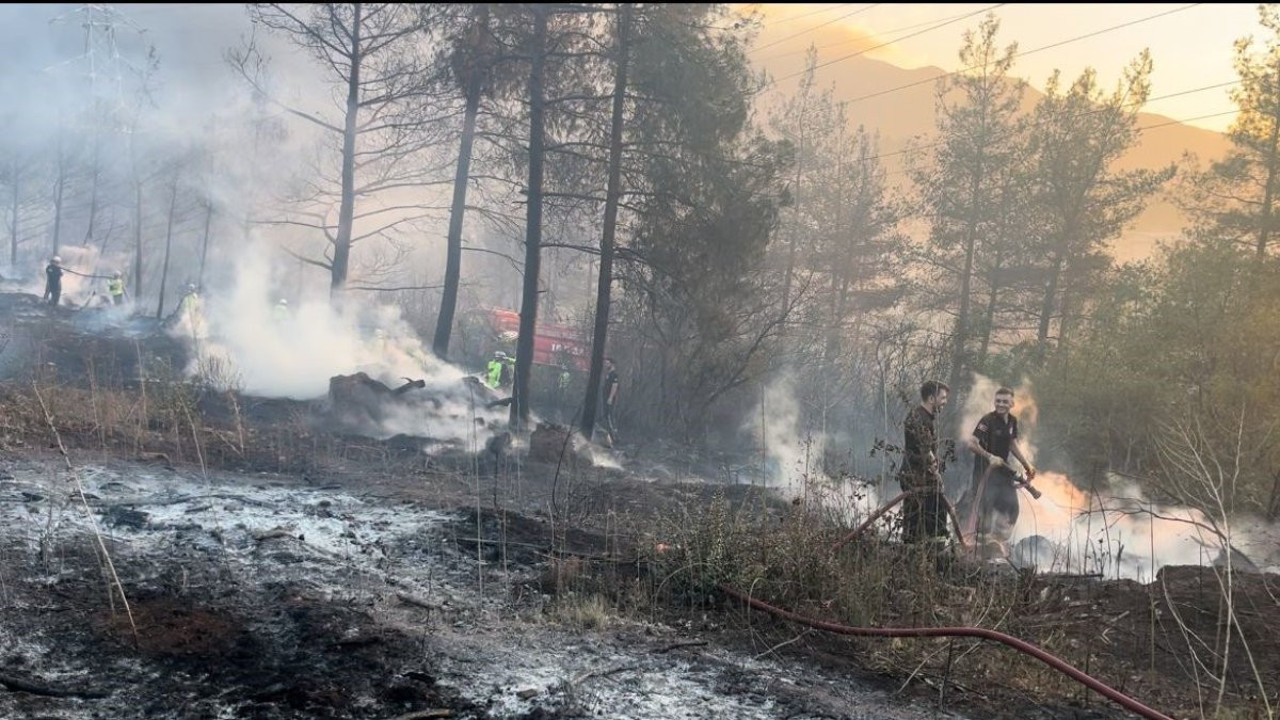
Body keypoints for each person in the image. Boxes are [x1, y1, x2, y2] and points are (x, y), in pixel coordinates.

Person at [959, 386, 1038, 545]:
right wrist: (990, 456)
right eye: (998, 401)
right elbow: (972, 443)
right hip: (985, 473)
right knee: (986, 515)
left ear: (1012, 404)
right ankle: (979, 547)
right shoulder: (987, 421)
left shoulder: (1012, 421)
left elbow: (1011, 444)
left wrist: (1026, 464)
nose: (1000, 404)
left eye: (1005, 402)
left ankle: (997, 543)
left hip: (1003, 473)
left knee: (1012, 510)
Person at [897, 379, 951, 549]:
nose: (945, 402)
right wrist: (936, 474)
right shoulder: (918, 418)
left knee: (934, 517)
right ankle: (918, 554)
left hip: (923, 478)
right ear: (931, 399)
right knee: (916, 525)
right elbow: (926, 451)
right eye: (943, 398)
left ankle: (932, 553)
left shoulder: (925, 417)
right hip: (915, 477)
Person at [601, 357, 619, 446]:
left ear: (612, 364)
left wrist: (610, 398)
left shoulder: (614, 375)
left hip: (610, 399)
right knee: (606, 416)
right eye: (605, 363)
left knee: (610, 416)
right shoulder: (608, 374)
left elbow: (614, 386)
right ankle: (609, 437)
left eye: (607, 363)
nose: (606, 365)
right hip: (605, 398)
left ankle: (615, 436)